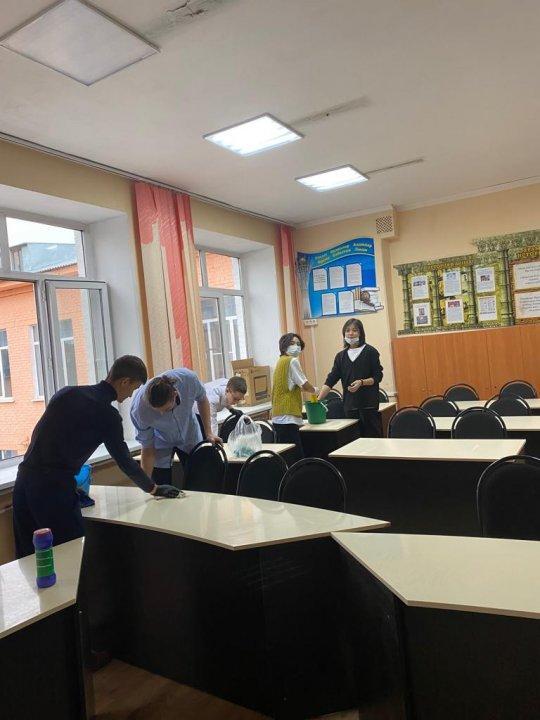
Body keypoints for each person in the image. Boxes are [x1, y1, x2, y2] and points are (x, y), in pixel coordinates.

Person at [12, 355, 179, 559]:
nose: (130, 395)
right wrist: (153, 488)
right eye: (133, 388)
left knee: (28, 558)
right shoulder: (108, 416)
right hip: (53, 489)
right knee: (74, 554)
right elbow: (125, 461)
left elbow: (43, 436)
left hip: (23, 482)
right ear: (124, 381)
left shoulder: (67, 393)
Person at [131, 367, 221, 485]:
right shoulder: (139, 411)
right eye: (157, 412)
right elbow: (147, 448)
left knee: (197, 478)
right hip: (160, 440)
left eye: (166, 409)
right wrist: (145, 484)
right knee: (160, 482)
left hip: (189, 432)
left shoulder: (188, 380)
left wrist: (209, 432)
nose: (162, 414)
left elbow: (202, 399)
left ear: (175, 394)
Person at [318, 318, 383, 437]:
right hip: (350, 406)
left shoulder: (370, 351)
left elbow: (378, 376)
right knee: (352, 439)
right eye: (347, 330)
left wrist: (362, 382)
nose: (350, 333)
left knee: (372, 438)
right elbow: (331, 380)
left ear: (361, 333)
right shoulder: (340, 356)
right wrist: (318, 400)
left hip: (368, 405)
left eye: (354, 330)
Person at [271, 333, 318, 457]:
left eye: (298, 344)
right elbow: (304, 384)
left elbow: (289, 386)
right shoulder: (292, 361)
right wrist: (315, 390)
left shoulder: (280, 361)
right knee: (295, 456)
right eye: (292, 343)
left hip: (277, 416)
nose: (296, 346)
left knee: (285, 456)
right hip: (288, 416)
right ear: (284, 346)